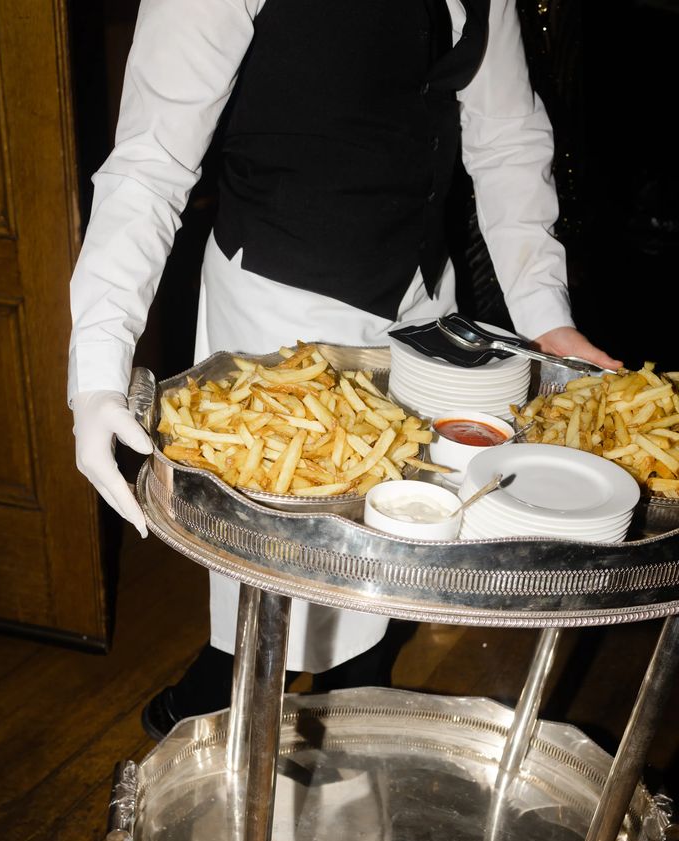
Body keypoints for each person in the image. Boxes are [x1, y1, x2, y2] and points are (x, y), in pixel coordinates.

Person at [69, 0, 622, 739]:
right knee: (275, 573)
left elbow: (508, 139)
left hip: (424, 310)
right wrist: (98, 369)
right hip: (276, 327)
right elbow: (147, 166)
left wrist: (546, 316)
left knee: (398, 546)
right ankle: (231, 698)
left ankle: (344, 707)